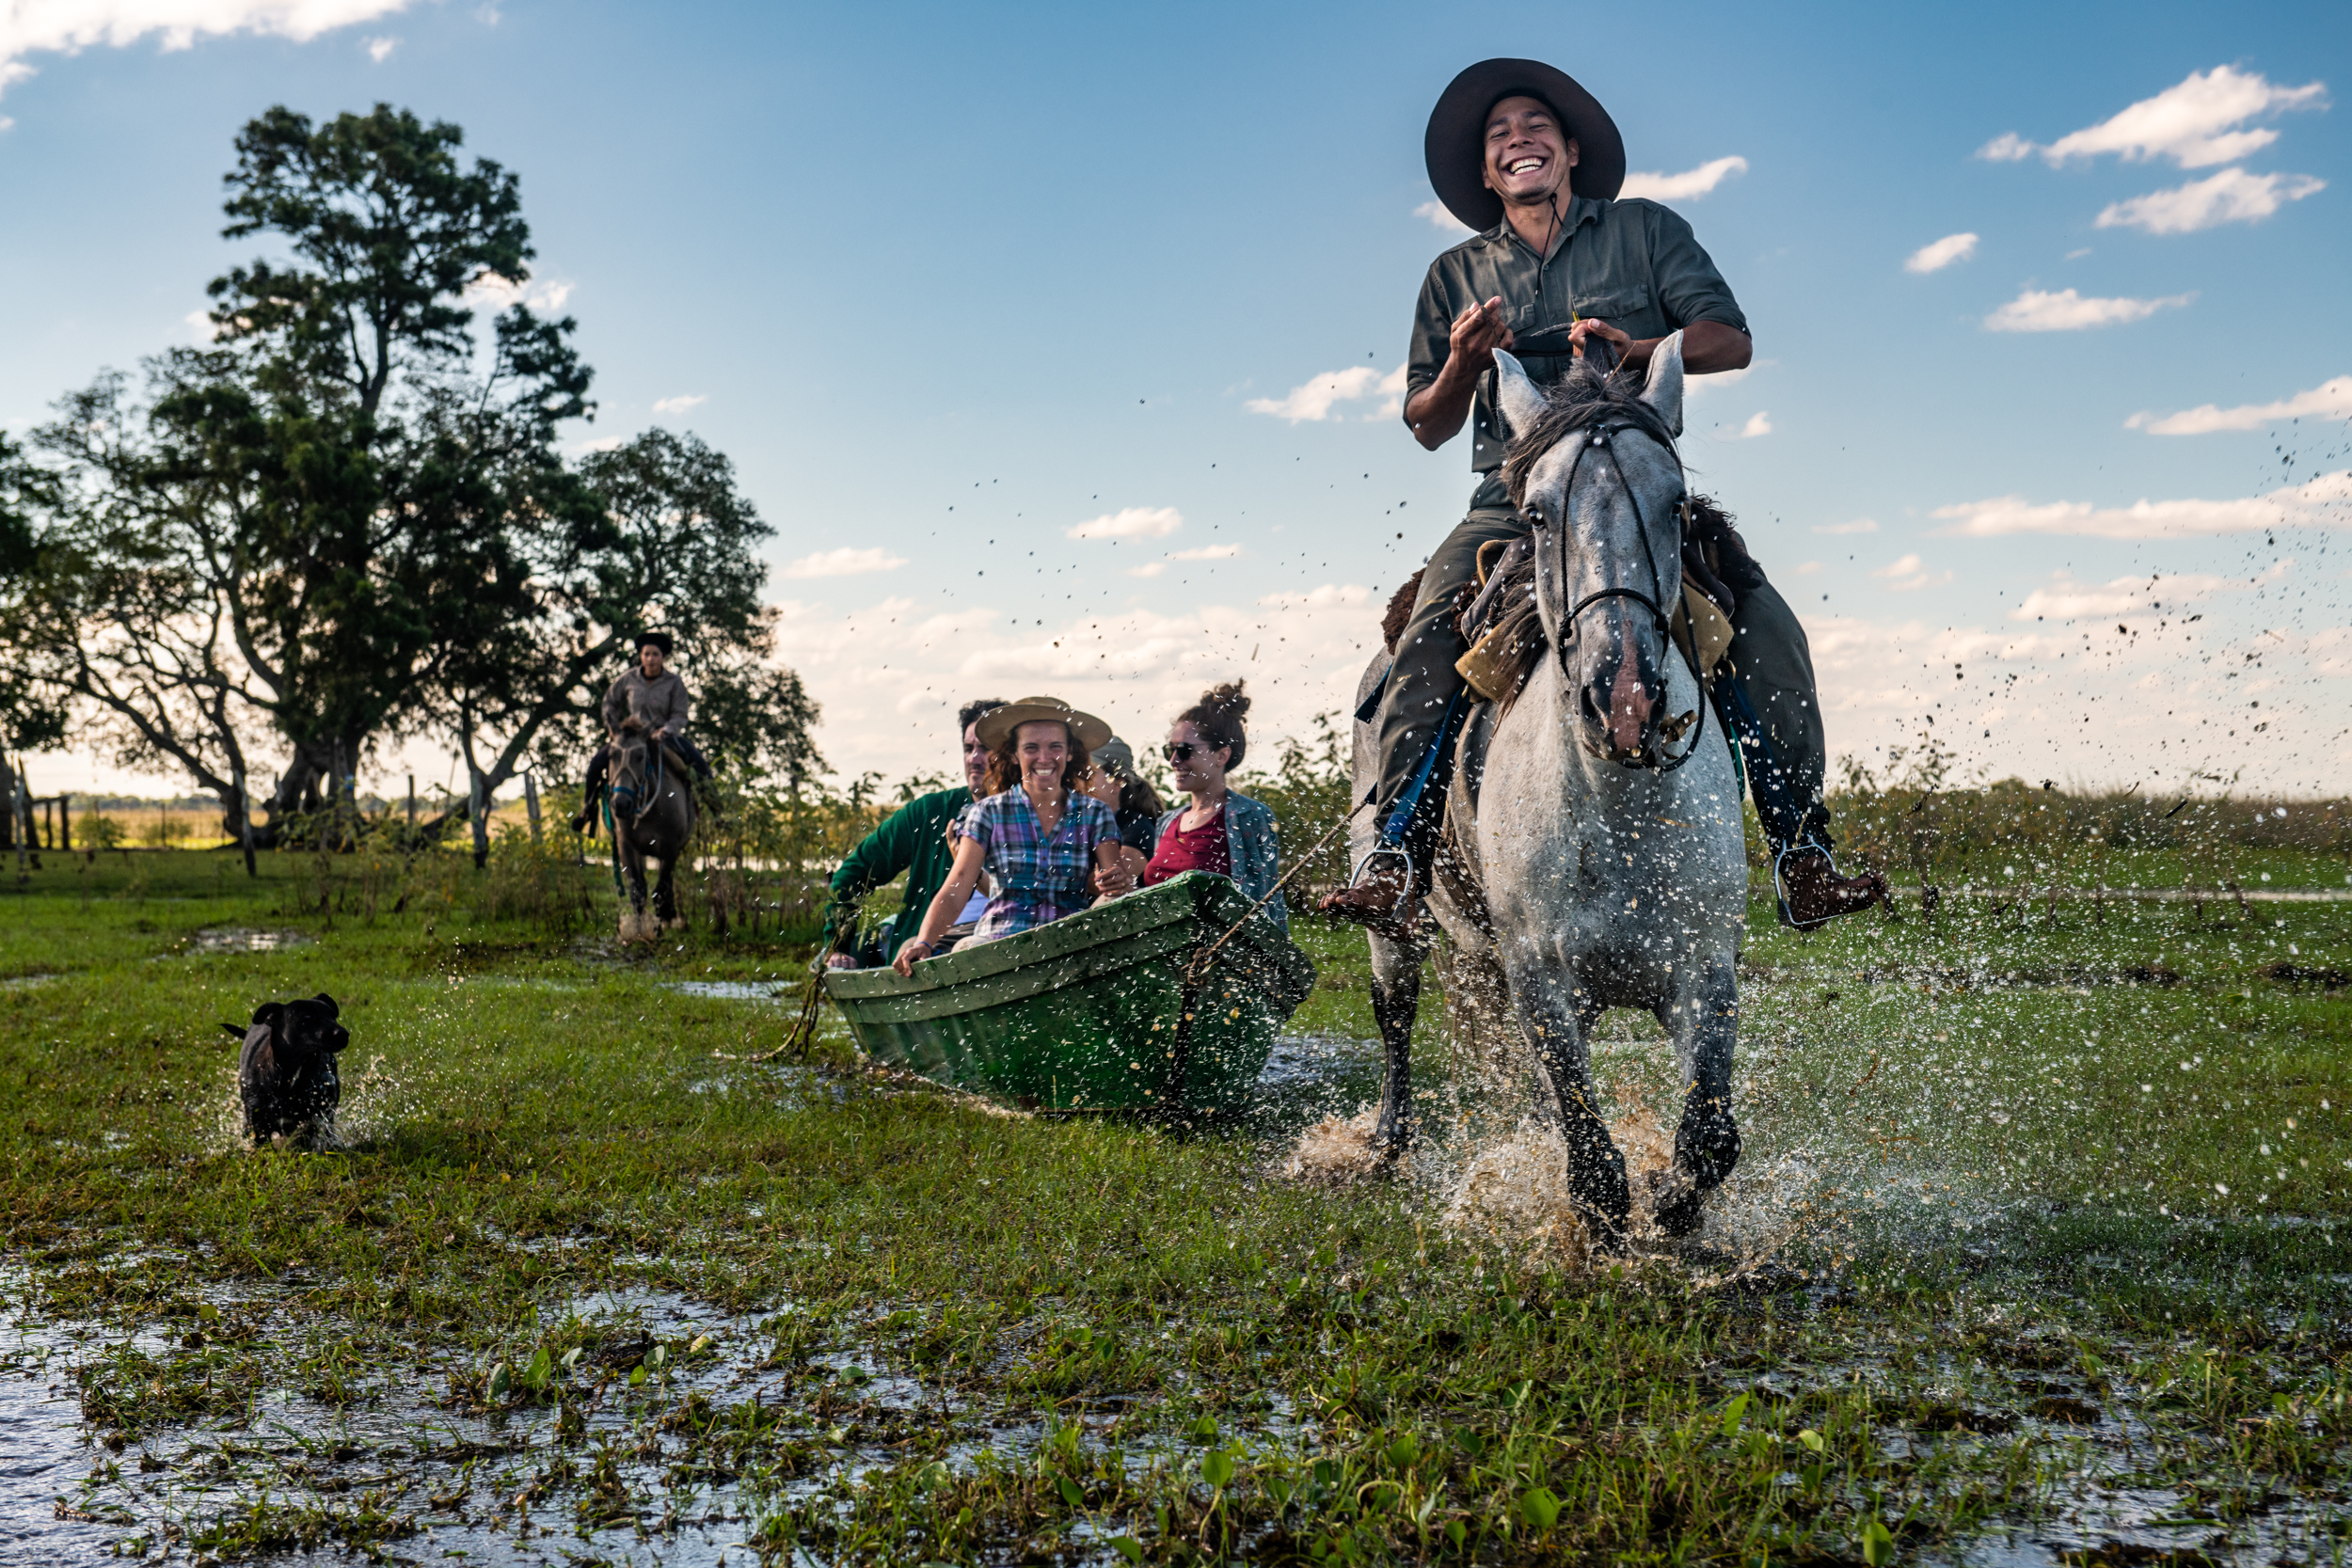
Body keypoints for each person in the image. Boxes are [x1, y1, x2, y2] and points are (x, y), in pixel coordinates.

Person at [1321, 57, 1884, 935]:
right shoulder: (1452, 274)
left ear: (1572, 149)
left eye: (1535, 126)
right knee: (1427, 632)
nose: (1519, 141)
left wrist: (1638, 347)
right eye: (1499, 135)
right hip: (1520, 498)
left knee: (1768, 624)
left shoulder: (1647, 231)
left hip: (1637, 485)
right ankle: (1395, 855)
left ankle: (1801, 850)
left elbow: (1729, 341)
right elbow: (1425, 421)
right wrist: (1466, 364)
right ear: (1484, 172)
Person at [893, 697, 1125, 974]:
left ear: (1070, 752)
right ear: (1014, 755)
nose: (1044, 758)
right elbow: (957, 886)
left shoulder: (1095, 813)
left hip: (1070, 945)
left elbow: (1115, 886)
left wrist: (1115, 881)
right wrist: (924, 942)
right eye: (1031, 748)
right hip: (998, 944)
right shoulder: (987, 812)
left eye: (1055, 747)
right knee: (966, 950)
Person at [820, 698, 1006, 969]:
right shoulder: (930, 813)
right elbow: (855, 872)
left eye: (985, 749)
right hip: (935, 948)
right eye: (968, 748)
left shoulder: (1031, 814)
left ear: (1012, 754)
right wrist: (837, 945)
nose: (974, 759)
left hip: (1008, 937)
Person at [1141, 682, 1287, 929]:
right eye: (1171, 750)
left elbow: (1266, 902)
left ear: (1222, 755)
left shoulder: (1249, 816)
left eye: (1185, 750)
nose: (1174, 760)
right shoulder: (1167, 822)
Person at [571, 632, 713, 832]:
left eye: (655, 654)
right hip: (631, 737)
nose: (650, 659)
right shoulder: (627, 679)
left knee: (699, 764)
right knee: (597, 762)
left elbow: (680, 715)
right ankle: (587, 809)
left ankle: (718, 812)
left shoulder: (674, 682)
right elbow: (609, 703)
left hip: (664, 737)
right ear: (640, 655)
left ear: (663, 657)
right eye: (646, 654)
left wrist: (666, 730)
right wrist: (613, 729)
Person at [1080, 736, 1165, 898]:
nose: (1075, 780)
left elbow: (1111, 886)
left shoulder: (1138, 828)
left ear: (1118, 781)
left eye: (1086, 773)